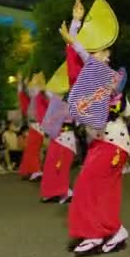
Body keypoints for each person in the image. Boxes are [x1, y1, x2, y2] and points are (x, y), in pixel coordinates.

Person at [61, 0, 130, 257]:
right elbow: (75, 63)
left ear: (107, 54)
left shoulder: (112, 75)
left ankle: (95, 233)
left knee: (85, 185)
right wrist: (76, 24)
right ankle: (113, 230)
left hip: (112, 141)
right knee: (104, 189)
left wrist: (75, 33)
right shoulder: (93, 73)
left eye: (97, 50)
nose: (91, 53)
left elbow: (82, 57)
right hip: (105, 141)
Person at [40, 61, 76, 204]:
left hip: (65, 137)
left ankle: (59, 191)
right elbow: (49, 93)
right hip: (61, 137)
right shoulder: (59, 102)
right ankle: (55, 191)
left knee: (60, 164)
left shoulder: (71, 103)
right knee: (56, 164)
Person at [18, 72, 49, 181]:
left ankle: (30, 170)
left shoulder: (40, 94)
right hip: (36, 122)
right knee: (33, 148)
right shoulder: (37, 95)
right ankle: (32, 170)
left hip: (37, 123)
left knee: (33, 148)